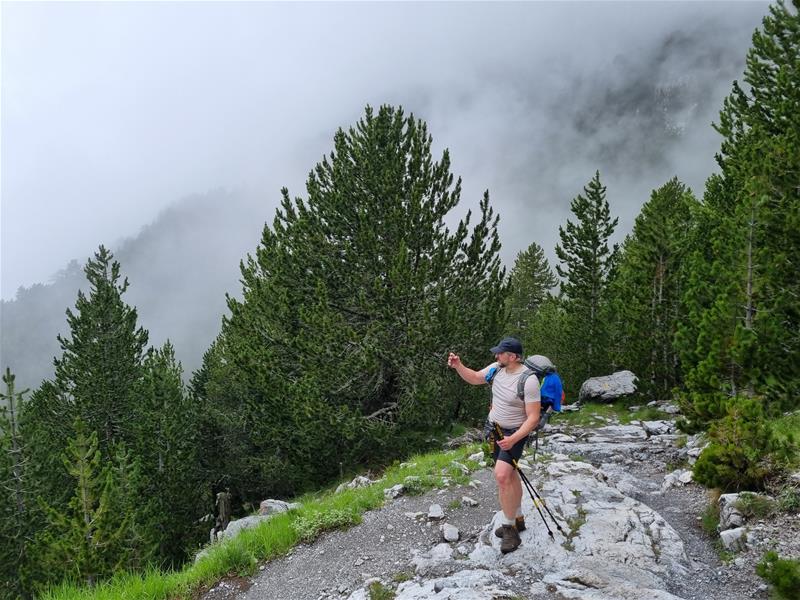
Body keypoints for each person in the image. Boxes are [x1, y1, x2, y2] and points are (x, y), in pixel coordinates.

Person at [447, 336, 540, 554]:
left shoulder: (529, 380)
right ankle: (517, 518)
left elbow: (533, 417)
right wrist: (458, 365)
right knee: (510, 473)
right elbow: (475, 378)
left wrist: (515, 438)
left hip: (514, 433)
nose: (496, 355)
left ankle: (509, 530)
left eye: (501, 353)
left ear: (514, 356)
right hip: (495, 430)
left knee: (501, 475)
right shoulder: (496, 369)